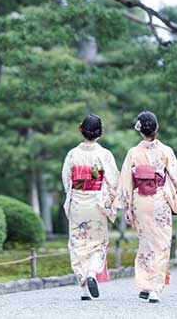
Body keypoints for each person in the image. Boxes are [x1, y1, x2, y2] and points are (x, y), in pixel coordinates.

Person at [119, 111, 177, 303]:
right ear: (156, 129)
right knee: (162, 245)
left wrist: (127, 208)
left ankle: (145, 284)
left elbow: (125, 181)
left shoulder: (133, 153)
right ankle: (155, 288)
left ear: (140, 131)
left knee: (146, 243)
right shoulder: (165, 151)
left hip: (140, 200)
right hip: (159, 200)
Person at [61, 114, 123, 301]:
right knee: (98, 243)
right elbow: (113, 181)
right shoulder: (104, 154)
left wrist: (75, 192)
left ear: (81, 130)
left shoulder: (72, 154)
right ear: (100, 133)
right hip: (96, 203)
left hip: (78, 204)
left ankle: (84, 289)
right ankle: (92, 274)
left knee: (78, 244)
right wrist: (111, 200)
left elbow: (66, 180)